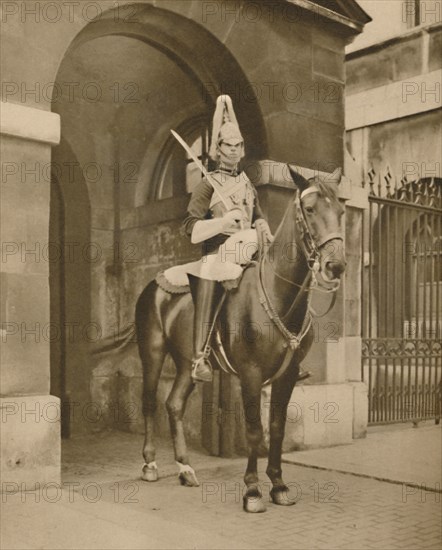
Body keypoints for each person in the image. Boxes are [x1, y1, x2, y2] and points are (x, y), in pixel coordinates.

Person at [182, 95, 272, 383]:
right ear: (218, 150)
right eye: (227, 146)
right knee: (210, 270)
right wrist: (221, 222)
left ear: (243, 150)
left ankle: (280, 350)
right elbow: (191, 229)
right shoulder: (208, 184)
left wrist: (262, 225)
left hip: (249, 252)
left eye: (238, 146)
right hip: (217, 254)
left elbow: (257, 215)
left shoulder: (247, 184)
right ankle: (200, 357)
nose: (233, 151)